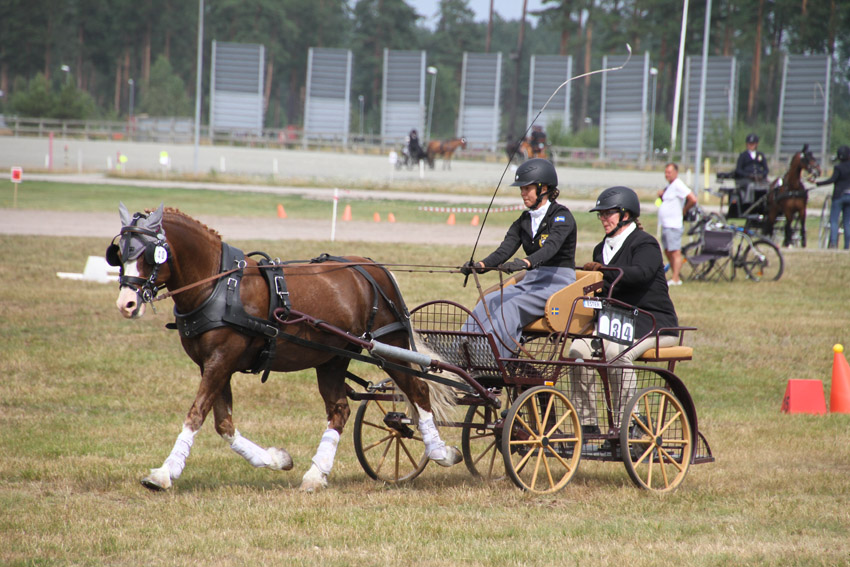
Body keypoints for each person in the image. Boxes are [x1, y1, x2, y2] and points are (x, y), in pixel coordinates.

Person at [569, 186, 681, 440]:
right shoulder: (601, 248)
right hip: (616, 323)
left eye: (608, 214)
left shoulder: (646, 244)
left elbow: (640, 274)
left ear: (625, 215)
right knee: (577, 351)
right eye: (601, 215)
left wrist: (605, 270)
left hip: (655, 323)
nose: (603, 219)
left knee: (615, 353)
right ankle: (587, 426)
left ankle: (632, 423)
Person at [460, 158, 577, 358]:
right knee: (489, 300)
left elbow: (551, 247)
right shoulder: (524, 220)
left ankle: (490, 357)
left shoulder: (561, 217)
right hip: (532, 281)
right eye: (521, 189)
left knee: (512, 306)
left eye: (527, 188)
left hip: (557, 285)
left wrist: (526, 262)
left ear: (544, 188)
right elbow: (504, 250)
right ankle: (460, 350)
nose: (523, 194)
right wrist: (480, 266)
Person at [658, 163, 697, 285]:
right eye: (665, 172)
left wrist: (684, 210)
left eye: (669, 172)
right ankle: (674, 274)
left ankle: (676, 279)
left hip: (674, 224)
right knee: (667, 250)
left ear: (675, 172)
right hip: (666, 224)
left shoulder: (678, 184)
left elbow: (693, 199)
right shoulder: (670, 186)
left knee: (675, 251)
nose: (667, 175)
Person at [816, 145, 850, 249]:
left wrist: (818, 183)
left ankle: (834, 243)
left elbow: (832, 180)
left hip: (839, 196)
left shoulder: (838, 167)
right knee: (847, 222)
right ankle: (847, 245)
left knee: (834, 220)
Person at [733, 133, 770, 213]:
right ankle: (748, 204)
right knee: (751, 186)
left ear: (756, 144)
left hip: (759, 179)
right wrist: (748, 175)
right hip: (746, 179)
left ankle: (767, 204)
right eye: (749, 144)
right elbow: (738, 170)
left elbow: (766, 169)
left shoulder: (760, 155)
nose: (751, 146)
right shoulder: (743, 156)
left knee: (768, 186)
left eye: (752, 144)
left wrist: (762, 175)